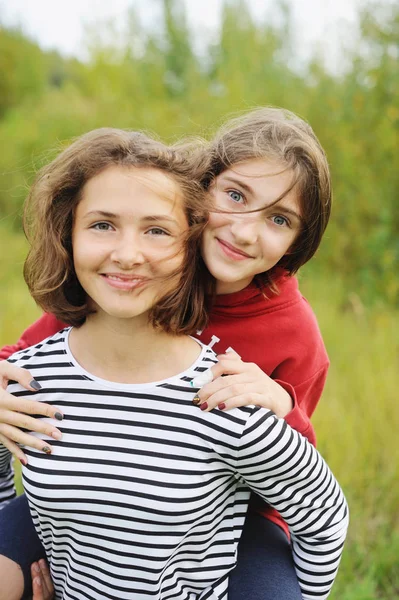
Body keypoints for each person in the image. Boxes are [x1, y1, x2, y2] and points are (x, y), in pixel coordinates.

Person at [0, 108, 337, 599]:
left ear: (295, 243)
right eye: (236, 196)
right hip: (96, 486)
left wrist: (282, 405)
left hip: (237, 514)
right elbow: (31, 353)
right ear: (200, 194)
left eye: (279, 219)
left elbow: (297, 466)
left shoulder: (293, 328)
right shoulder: (140, 276)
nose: (244, 232)